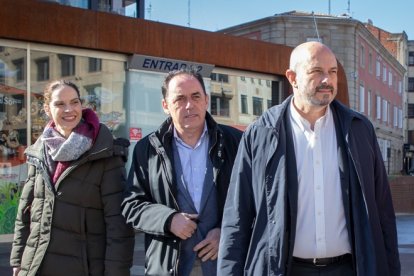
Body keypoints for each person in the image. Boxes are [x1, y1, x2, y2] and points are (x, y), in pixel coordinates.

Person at [218, 41, 400, 276]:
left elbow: (383, 210)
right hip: (285, 269)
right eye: (316, 72)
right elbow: (237, 216)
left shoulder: (359, 129)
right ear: (292, 77)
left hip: (349, 268)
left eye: (332, 72)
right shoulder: (261, 133)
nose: (327, 80)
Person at [121, 68, 242, 276]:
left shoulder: (236, 142)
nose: (189, 105)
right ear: (165, 106)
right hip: (169, 265)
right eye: (179, 99)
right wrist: (168, 220)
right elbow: (131, 205)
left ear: (206, 100)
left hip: (226, 264)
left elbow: (254, 199)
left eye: (196, 97)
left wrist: (227, 231)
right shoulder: (147, 148)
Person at [10, 80, 134, 276]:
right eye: (60, 104)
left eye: (74, 102)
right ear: (47, 109)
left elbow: (118, 226)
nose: (69, 109)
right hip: (36, 265)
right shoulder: (38, 152)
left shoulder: (105, 153)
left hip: (85, 268)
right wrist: (18, 260)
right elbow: (25, 212)